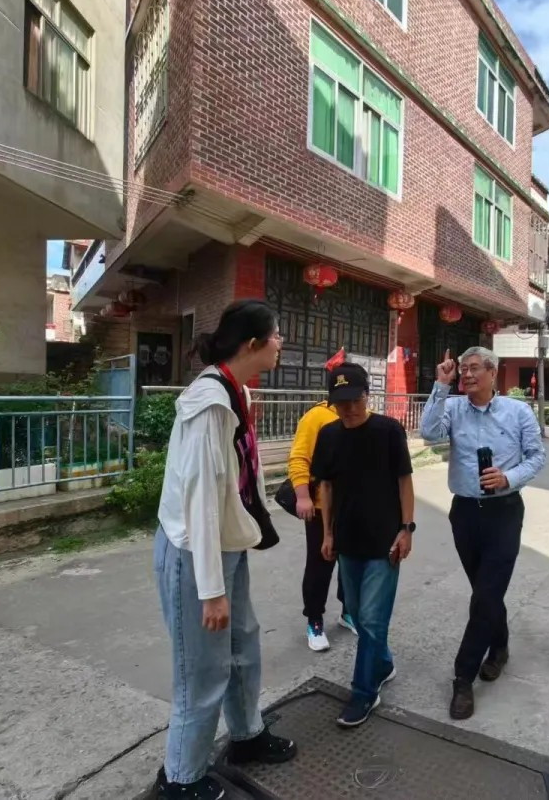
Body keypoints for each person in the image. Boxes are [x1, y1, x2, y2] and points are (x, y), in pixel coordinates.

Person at [152, 300, 295, 800]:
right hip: (195, 552)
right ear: (253, 344)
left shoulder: (237, 391)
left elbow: (234, 484)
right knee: (202, 669)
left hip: (224, 546)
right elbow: (200, 500)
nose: (281, 343)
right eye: (276, 335)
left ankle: (246, 736)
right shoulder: (209, 403)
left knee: (242, 647)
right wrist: (211, 590)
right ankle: (180, 777)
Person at [421, 346, 546, 720]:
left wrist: (509, 477)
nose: (467, 374)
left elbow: (537, 456)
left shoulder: (517, 411)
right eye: (463, 369)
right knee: (485, 591)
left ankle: (463, 676)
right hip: (464, 512)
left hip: (504, 512)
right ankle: (500, 646)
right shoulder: (453, 407)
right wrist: (441, 386)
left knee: (486, 594)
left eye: (475, 368)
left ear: (493, 372)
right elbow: (428, 434)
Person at [312, 363, 415, 728]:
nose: (349, 409)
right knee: (357, 614)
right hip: (347, 542)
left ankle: (364, 692)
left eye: (355, 401)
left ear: (367, 396)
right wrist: (327, 534)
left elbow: (404, 481)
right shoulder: (328, 435)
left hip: (385, 542)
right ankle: (383, 664)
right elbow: (326, 486)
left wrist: (407, 528)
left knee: (371, 619)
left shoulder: (388, 431)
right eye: (341, 403)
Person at [287, 397, 357, 652]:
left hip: (353, 505)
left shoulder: (363, 415)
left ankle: (348, 611)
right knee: (320, 564)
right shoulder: (316, 416)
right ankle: (314, 619)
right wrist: (303, 496)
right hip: (320, 507)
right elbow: (299, 457)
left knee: (352, 563)